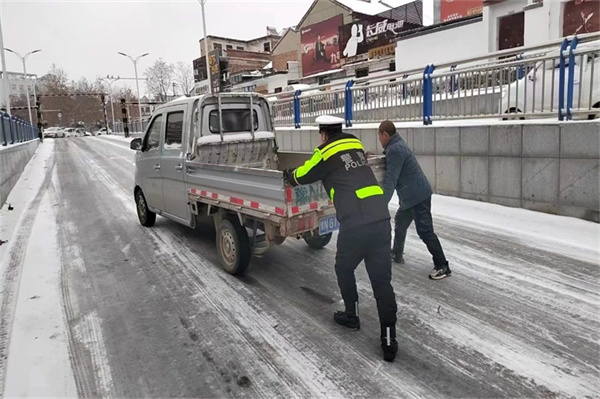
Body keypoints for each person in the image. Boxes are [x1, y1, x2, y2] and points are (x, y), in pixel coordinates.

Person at [284, 115, 398, 362]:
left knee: (343, 268)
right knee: (382, 283)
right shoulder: (355, 144)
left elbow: (303, 174)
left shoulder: (323, 151)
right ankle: (389, 340)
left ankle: (352, 315)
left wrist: (288, 176)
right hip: (380, 218)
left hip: (355, 223)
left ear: (323, 134)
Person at [378, 120, 452, 280]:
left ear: (385, 134)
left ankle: (442, 265)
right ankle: (397, 253)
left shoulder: (395, 149)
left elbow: (391, 179)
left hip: (417, 197)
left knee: (425, 231)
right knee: (401, 221)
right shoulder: (396, 145)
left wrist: (381, 204)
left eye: (379, 137)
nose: (380, 141)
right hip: (410, 197)